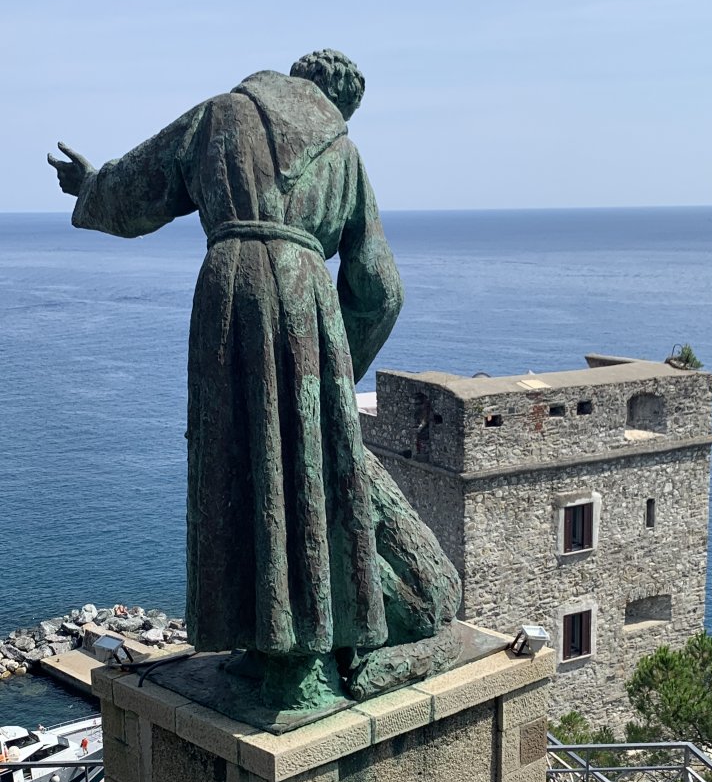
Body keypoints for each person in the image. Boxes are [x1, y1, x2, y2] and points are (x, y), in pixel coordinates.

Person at [49, 51, 459, 707]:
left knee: (240, 464)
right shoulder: (346, 158)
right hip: (309, 311)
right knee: (309, 475)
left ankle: (264, 648)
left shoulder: (224, 116)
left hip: (231, 297)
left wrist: (90, 185)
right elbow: (381, 289)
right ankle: (311, 653)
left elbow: (137, 191)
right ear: (335, 104)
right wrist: (330, 373)